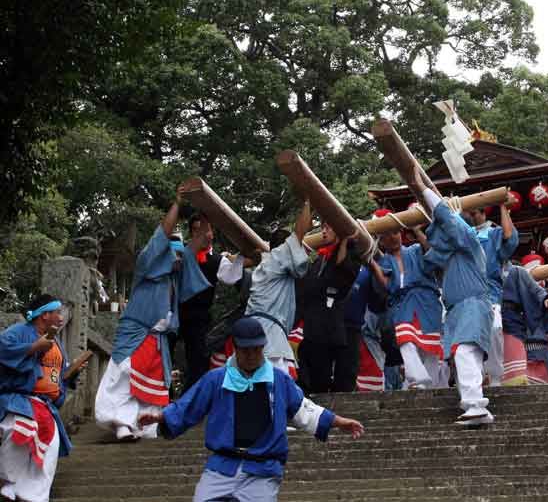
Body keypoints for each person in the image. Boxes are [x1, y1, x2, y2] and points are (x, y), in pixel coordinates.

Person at [138, 317, 364, 502]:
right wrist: (160, 416)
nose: (252, 355)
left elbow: (304, 409)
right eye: (246, 350)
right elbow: (189, 405)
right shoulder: (216, 379)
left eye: (257, 349)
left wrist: (338, 421)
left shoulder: (278, 380)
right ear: (235, 348)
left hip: (263, 469)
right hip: (221, 467)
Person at [96, 187, 210, 441]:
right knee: (124, 376)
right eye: (175, 252)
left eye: (182, 254)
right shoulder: (147, 264)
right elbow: (163, 233)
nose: (180, 258)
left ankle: (143, 426)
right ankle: (122, 423)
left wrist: (206, 213)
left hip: (158, 338)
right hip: (137, 330)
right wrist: (177, 204)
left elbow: (200, 242)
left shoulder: (174, 279)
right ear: (163, 252)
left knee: (153, 384)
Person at [411, 170, 494, 425]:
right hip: (456, 310)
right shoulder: (445, 257)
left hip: (473, 304)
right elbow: (430, 255)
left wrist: (421, 187)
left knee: (464, 351)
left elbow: (449, 220)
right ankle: (473, 405)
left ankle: (475, 405)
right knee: (462, 356)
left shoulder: (470, 242)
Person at [0, 295, 85, 502]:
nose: (61, 317)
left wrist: (70, 374)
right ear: (45, 315)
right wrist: (32, 348)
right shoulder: (19, 332)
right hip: (19, 399)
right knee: (21, 428)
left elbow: (56, 377)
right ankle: (8, 482)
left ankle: (33, 495)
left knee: (50, 448)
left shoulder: (56, 342)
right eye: (58, 312)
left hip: (46, 407)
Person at [175, 213, 246, 390]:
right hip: (174, 313)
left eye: (208, 230)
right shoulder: (180, 253)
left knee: (198, 362)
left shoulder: (218, 259)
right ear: (192, 233)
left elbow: (231, 277)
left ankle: (188, 403)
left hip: (199, 317)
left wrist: (241, 257)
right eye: (200, 231)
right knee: (163, 356)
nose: (206, 235)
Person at [372, 220, 444, 389]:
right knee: (405, 340)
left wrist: (417, 230)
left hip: (427, 302)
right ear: (381, 241)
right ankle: (418, 379)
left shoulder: (416, 249)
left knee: (430, 350)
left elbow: (433, 255)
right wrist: (372, 263)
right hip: (402, 303)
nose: (392, 238)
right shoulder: (385, 261)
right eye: (387, 235)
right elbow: (386, 284)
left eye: (395, 233)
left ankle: (429, 388)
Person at [244, 201, 312, 377]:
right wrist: (308, 201)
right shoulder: (278, 257)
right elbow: (299, 233)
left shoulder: (266, 265)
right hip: (269, 335)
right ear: (285, 247)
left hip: (255, 330)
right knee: (275, 386)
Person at [297, 221, 361, 394]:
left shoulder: (350, 253)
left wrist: (345, 240)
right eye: (322, 227)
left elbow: (342, 268)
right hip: (312, 325)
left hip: (332, 324)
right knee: (312, 372)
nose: (323, 231)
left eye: (329, 227)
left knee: (336, 375)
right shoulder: (319, 258)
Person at [468, 200, 518, 387]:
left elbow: (509, 236)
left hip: (490, 291)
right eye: (469, 215)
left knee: (495, 329)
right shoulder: (467, 233)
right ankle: (477, 378)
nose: (472, 218)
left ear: (483, 213)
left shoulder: (493, 233)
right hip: (469, 291)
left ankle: (496, 377)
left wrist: (502, 207)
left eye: (474, 214)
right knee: (471, 336)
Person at [500, 264, 548, 385]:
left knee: (515, 372)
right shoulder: (485, 267)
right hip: (490, 316)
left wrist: (544, 298)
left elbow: (533, 289)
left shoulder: (516, 271)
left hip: (512, 319)